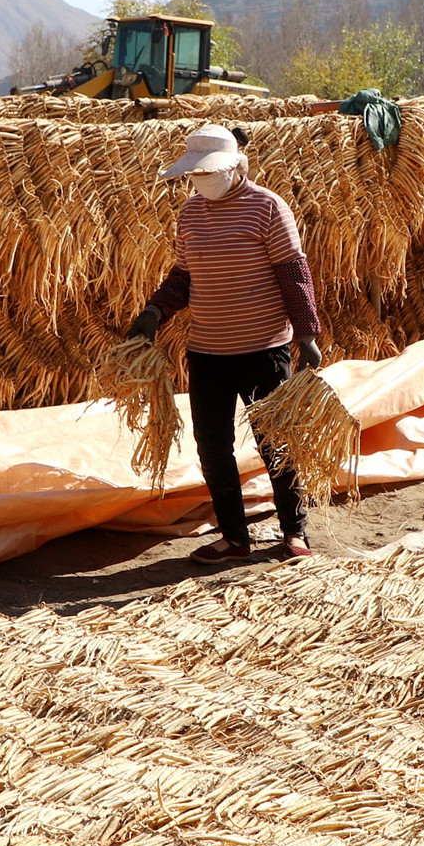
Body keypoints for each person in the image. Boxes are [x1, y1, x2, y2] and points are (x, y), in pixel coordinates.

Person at [127, 123, 323, 563]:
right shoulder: (191, 214)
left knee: (277, 442)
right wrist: (155, 311)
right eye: (194, 175)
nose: (201, 182)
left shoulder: (268, 208)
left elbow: (293, 273)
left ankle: (294, 533)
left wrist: (307, 334)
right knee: (212, 446)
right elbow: (184, 276)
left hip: (263, 349)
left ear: (235, 167)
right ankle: (235, 537)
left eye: (209, 172)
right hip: (207, 352)